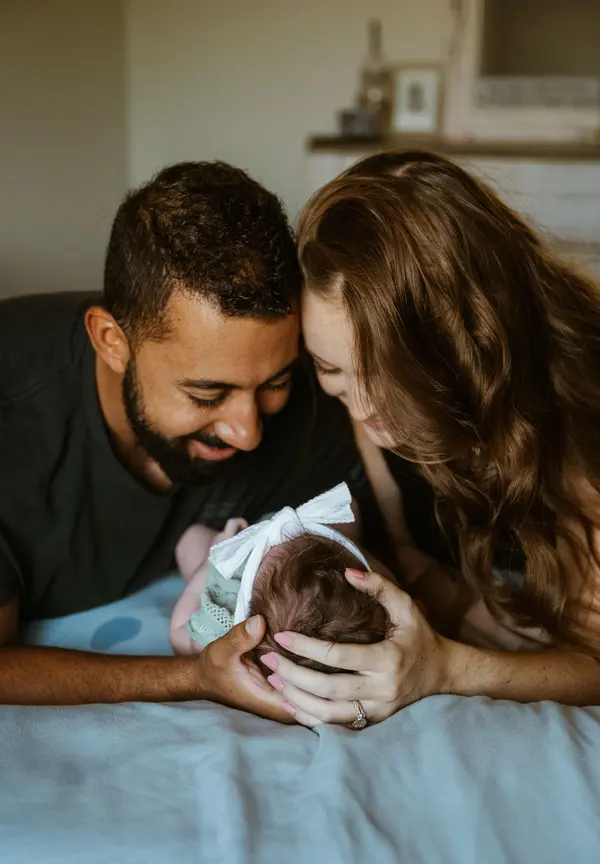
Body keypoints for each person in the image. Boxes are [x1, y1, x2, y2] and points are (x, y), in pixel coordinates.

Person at [0, 161, 366, 715]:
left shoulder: (304, 402)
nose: (248, 433)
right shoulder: (17, 419)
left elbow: (370, 556)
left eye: (275, 382)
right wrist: (195, 677)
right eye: (207, 394)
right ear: (112, 342)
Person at [264, 149, 600, 729]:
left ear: (461, 347)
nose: (362, 407)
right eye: (331, 368)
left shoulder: (578, 425)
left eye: (384, 375)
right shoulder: (351, 408)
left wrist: (445, 668)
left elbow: (595, 661)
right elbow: (410, 554)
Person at [168, 483, 390, 722]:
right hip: (319, 534)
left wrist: (209, 563)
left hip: (239, 556)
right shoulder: (375, 600)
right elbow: (383, 582)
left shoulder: (223, 619)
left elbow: (178, 635)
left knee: (190, 539)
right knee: (350, 510)